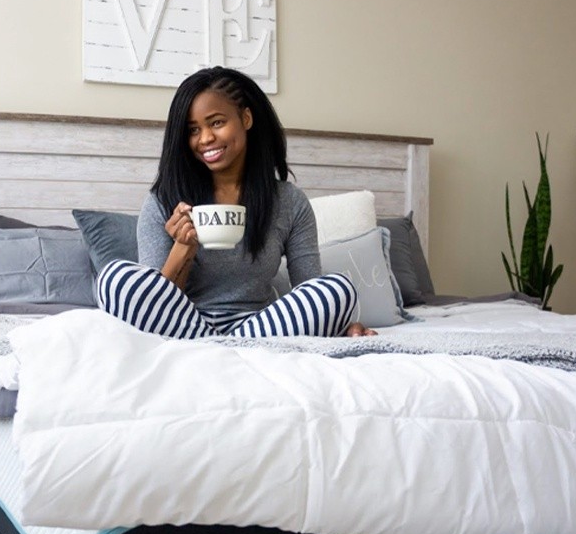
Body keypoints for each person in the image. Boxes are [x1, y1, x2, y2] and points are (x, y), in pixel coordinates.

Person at [96, 66, 375, 339]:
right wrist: (183, 248)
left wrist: (340, 321)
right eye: (193, 130)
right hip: (184, 323)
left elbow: (309, 288)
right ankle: (233, 346)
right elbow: (153, 304)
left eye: (216, 122)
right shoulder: (162, 201)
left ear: (246, 118)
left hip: (264, 324)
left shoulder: (289, 202)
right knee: (113, 279)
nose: (205, 138)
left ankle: (219, 346)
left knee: (338, 289)